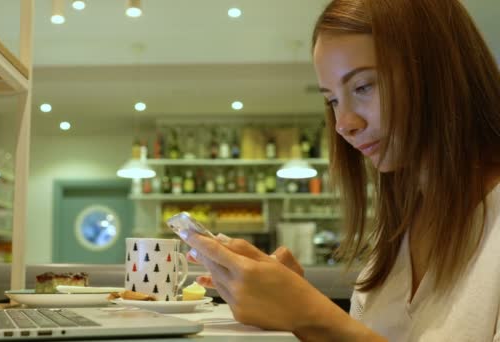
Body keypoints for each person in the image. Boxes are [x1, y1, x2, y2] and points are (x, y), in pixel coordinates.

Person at [179, 0, 500, 340]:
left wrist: (312, 316)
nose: (343, 124)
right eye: (332, 100)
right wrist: (290, 308)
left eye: (363, 87)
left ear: (439, 71)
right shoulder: (399, 229)